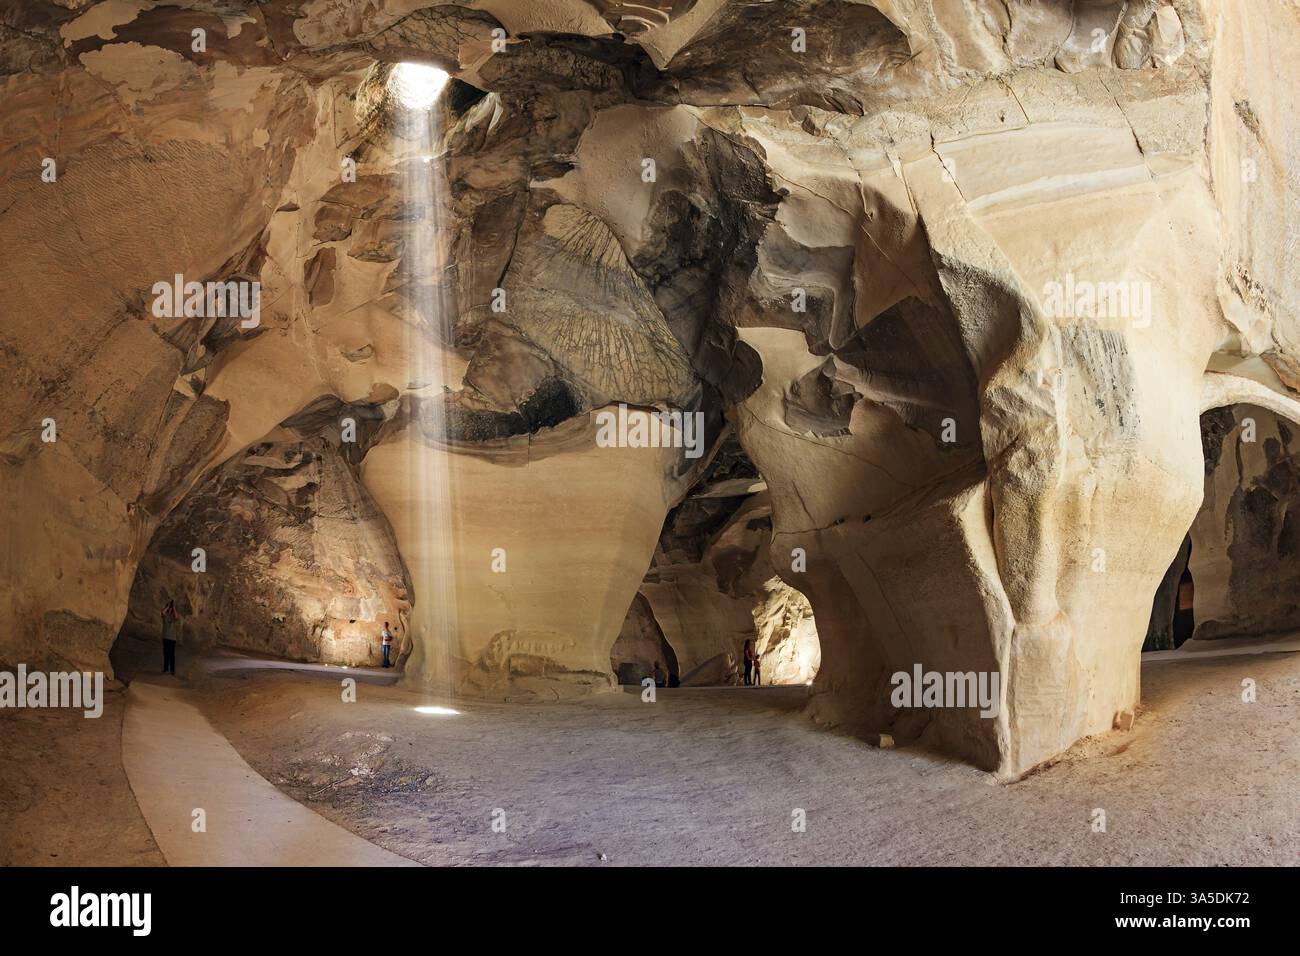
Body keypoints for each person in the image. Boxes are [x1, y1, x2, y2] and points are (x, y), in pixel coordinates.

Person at [161, 599, 179, 675]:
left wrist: (174, 607)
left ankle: (172, 670)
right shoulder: (165, 616)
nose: (170, 609)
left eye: (170, 608)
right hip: (165, 637)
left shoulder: (173, 617)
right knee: (166, 653)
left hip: (172, 638)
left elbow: (177, 617)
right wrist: (168, 606)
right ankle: (165, 669)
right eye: (169, 608)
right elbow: (163, 612)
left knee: (171, 654)